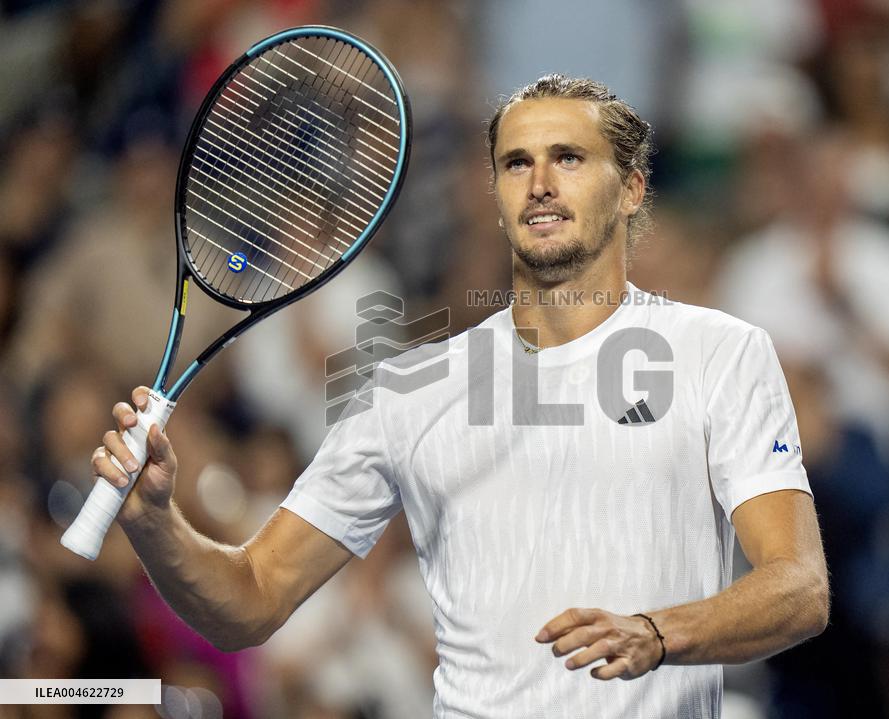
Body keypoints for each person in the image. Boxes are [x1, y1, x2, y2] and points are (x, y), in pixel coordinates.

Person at [91, 75, 828, 718]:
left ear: (632, 188)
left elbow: (798, 586)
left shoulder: (723, 353)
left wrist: (660, 633)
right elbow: (249, 598)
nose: (538, 181)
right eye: (516, 163)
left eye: (568, 157)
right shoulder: (407, 391)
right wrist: (157, 523)